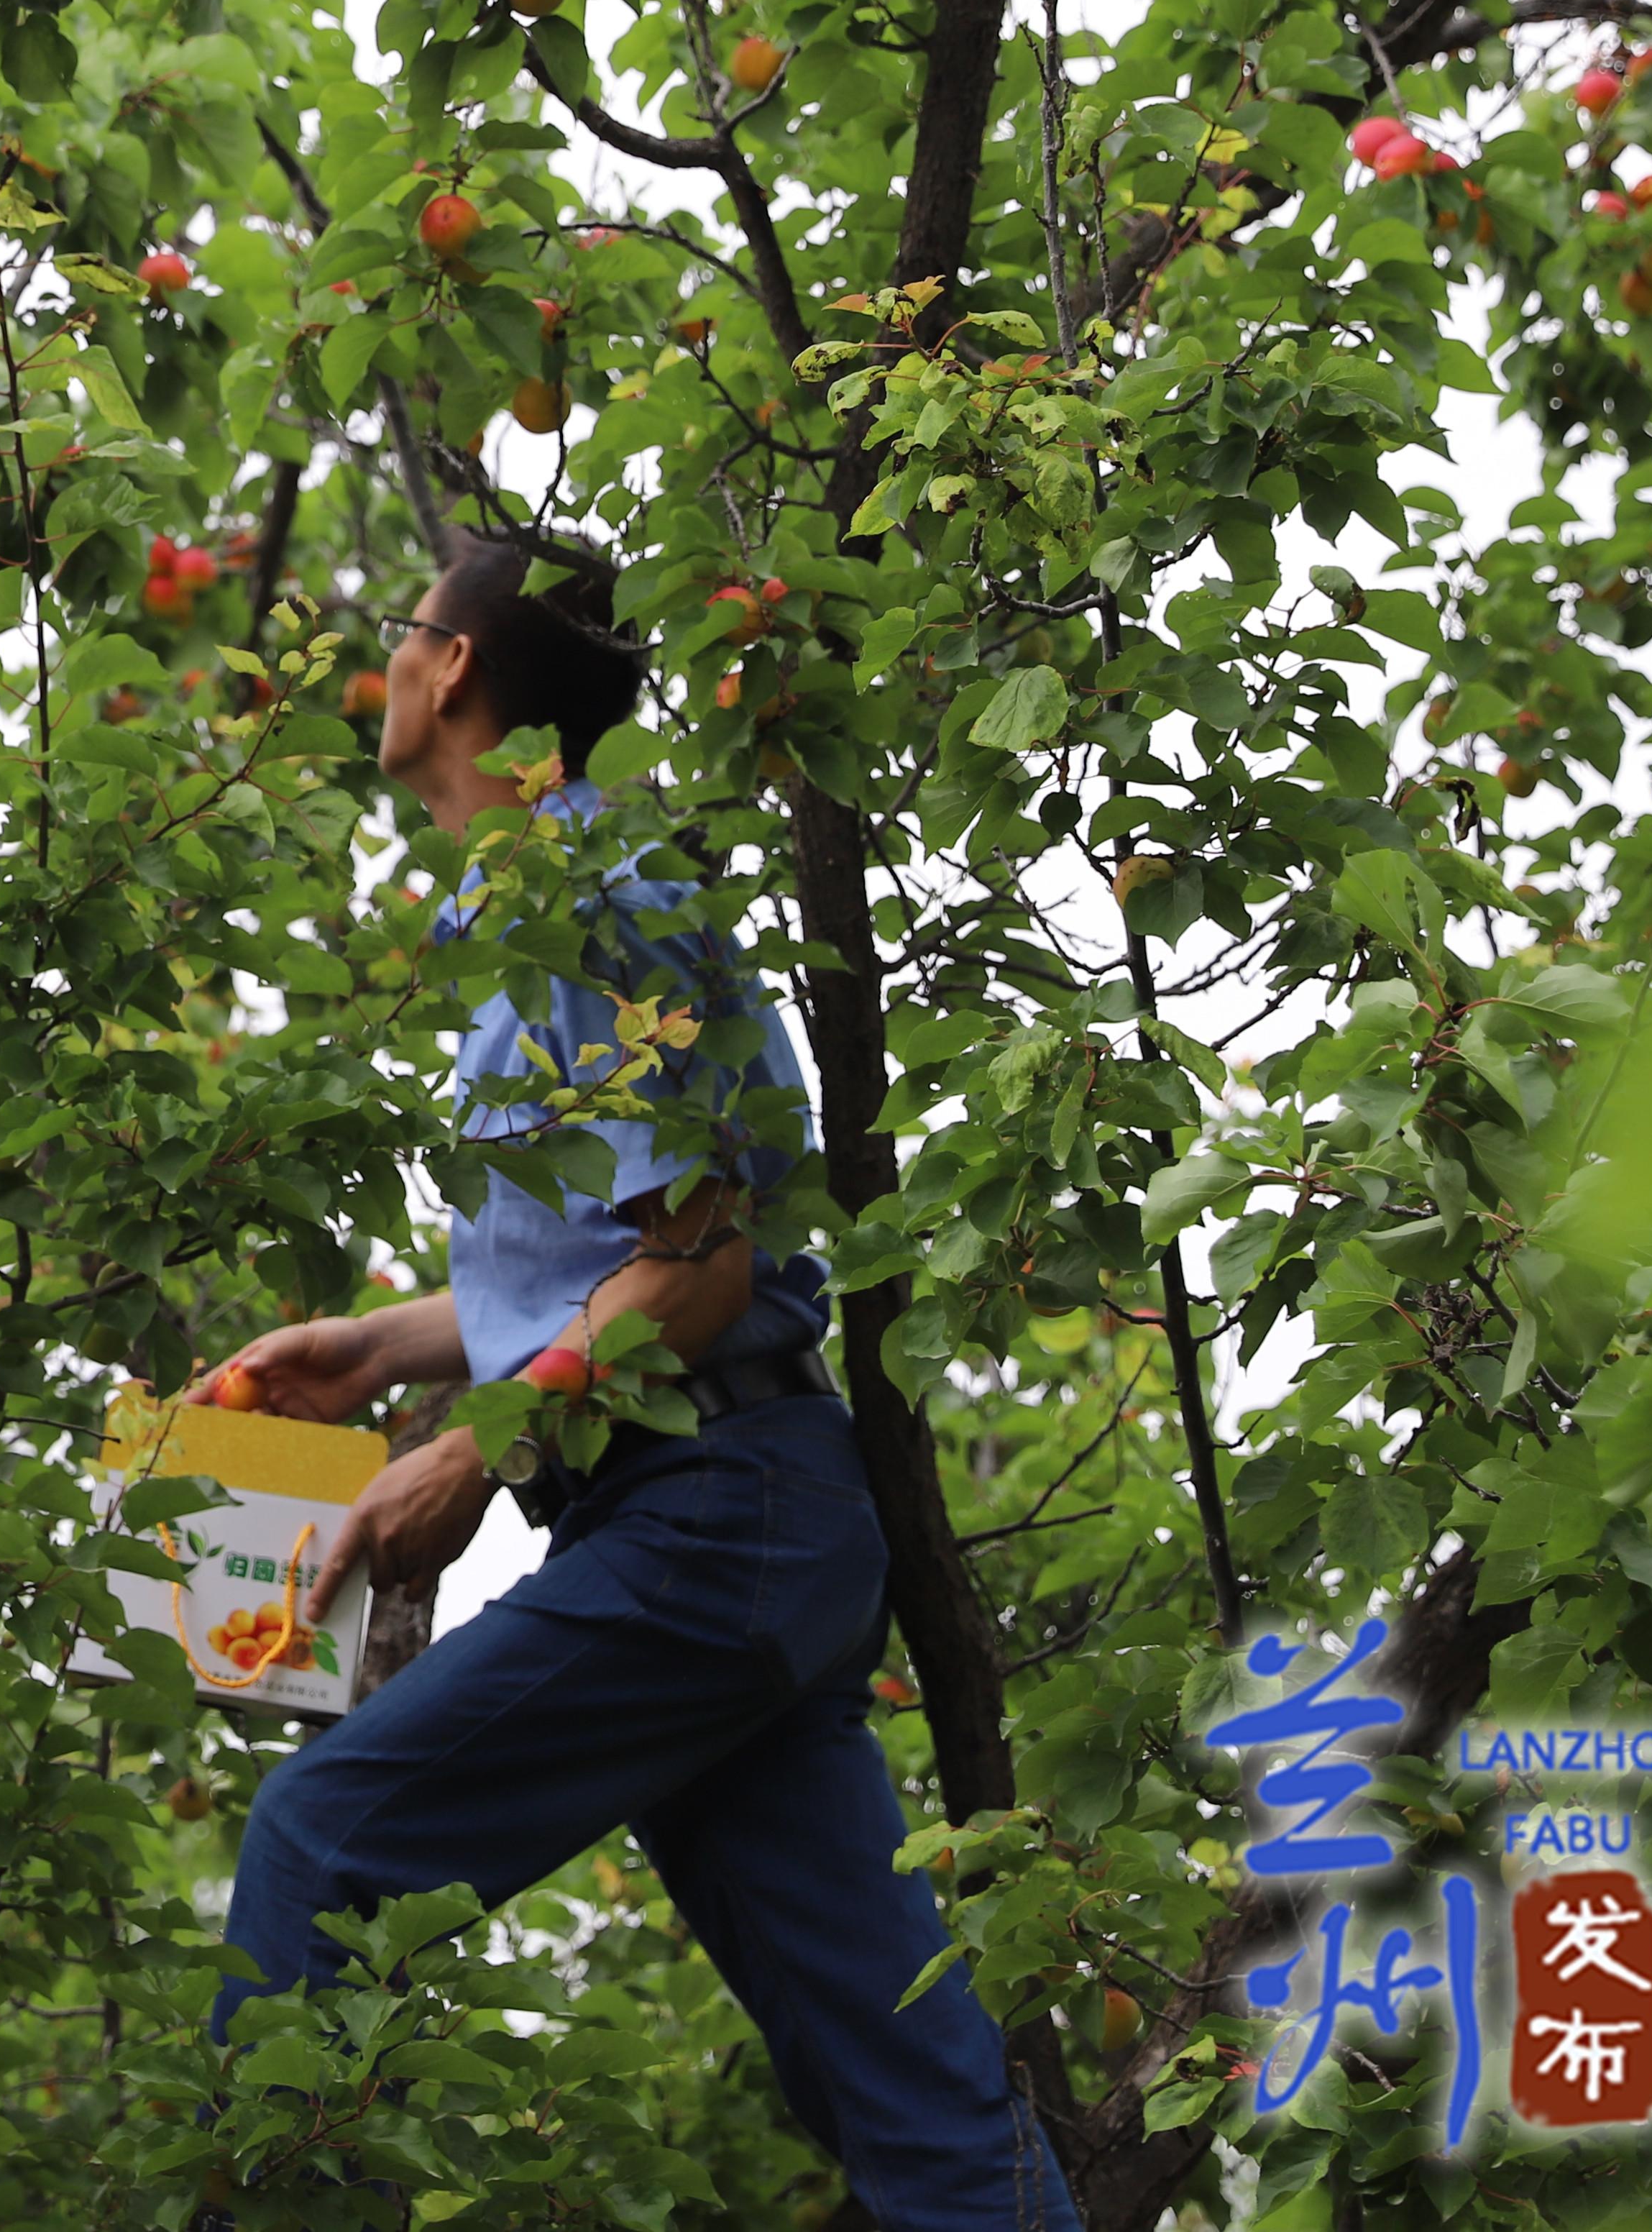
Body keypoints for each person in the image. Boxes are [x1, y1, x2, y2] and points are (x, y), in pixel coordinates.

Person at [206, 536, 1080, 2231]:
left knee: (320, 1840)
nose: (380, 669)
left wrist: (471, 1452)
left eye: (396, 637)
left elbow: (703, 1270)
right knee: (902, 2090)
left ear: (449, 666)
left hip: (709, 1519)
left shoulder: (585, 888)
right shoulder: (542, 895)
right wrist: (387, 1346)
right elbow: (623, 1257)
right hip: (737, 1528)